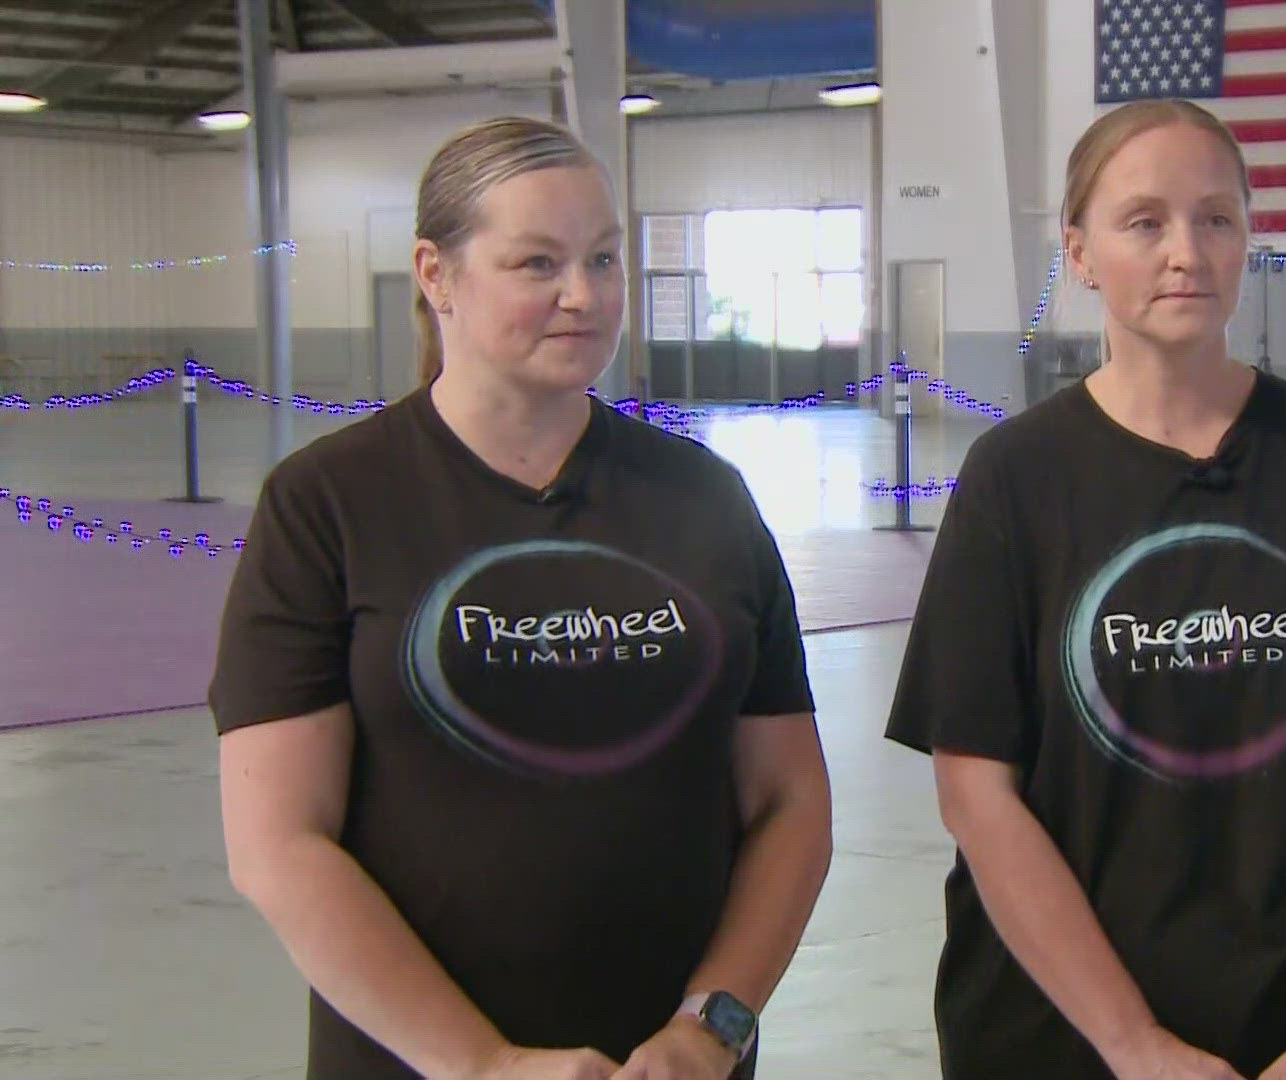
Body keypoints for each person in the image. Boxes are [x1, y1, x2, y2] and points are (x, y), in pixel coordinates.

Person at [210, 116, 832, 1080]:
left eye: (604, 259)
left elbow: (789, 799)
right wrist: (480, 1063)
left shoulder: (705, 498)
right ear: (437, 274)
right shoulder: (327, 505)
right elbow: (279, 843)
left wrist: (714, 1028)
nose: (582, 296)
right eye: (535, 263)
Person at [885, 99, 1286, 1080]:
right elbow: (976, 791)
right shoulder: (1014, 477)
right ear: (1079, 251)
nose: (1186, 251)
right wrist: (1133, 1045)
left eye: (1216, 218)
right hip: (1056, 1034)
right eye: (1144, 221)